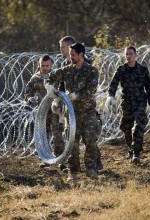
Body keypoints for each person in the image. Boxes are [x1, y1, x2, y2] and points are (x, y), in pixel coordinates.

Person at [46, 43, 102, 181]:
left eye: (73, 55)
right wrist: (49, 86)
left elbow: (92, 90)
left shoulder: (91, 71)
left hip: (88, 113)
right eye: (70, 54)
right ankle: (73, 171)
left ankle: (90, 169)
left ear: (81, 54)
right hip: (71, 115)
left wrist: (77, 95)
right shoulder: (67, 70)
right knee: (72, 144)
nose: (70, 57)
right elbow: (52, 75)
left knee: (91, 141)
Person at [106, 46, 150, 164]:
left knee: (140, 125)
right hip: (126, 103)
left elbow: (149, 88)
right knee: (126, 128)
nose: (128, 56)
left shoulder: (143, 70)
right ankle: (131, 148)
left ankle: (136, 152)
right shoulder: (121, 69)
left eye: (131, 54)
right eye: (126, 54)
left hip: (140, 102)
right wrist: (110, 96)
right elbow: (113, 85)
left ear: (136, 55)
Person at [59, 36, 103, 171]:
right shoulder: (64, 65)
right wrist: (59, 101)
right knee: (71, 138)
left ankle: (95, 161)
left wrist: (77, 95)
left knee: (89, 136)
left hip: (86, 107)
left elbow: (90, 87)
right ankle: (72, 166)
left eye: (62, 47)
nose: (61, 50)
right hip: (71, 109)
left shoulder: (86, 64)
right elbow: (62, 85)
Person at [24, 54, 66, 171]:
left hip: (55, 110)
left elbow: (63, 90)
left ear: (51, 65)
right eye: (43, 65)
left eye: (47, 65)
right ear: (39, 65)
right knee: (44, 136)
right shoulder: (35, 78)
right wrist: (29, 99)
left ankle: (61, 161)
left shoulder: (56, 76)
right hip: (43, 112)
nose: (45, 67)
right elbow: (27, 92)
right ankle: (46, 160)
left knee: (58, 136)